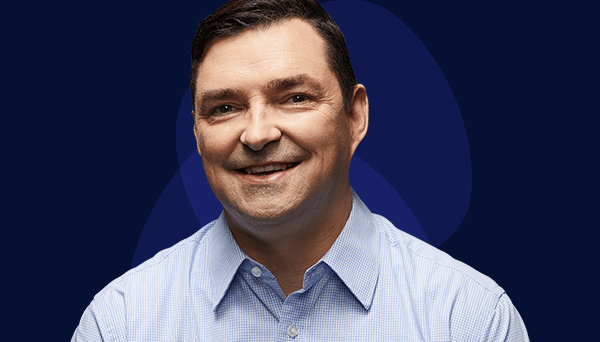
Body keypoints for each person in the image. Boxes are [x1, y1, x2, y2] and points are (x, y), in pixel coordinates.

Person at [72, 0, 529, 340]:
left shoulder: (469, 318)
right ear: (197, 134)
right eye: (225, 107)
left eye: (295, 98)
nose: (257, 134)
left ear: (355, 118)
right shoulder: (121, 323)